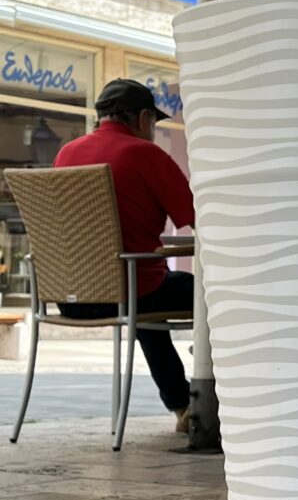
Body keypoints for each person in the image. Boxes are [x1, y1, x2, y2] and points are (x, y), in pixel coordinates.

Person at [54, 79, 195, 433]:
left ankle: (182, 405)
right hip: (132, 292)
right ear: (144, 117)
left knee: (146, 295)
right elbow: (197, 219)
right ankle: (215, 392)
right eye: (155, 123)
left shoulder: (66, 154)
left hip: (70, 297)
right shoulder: (144, 154)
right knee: (214, 297)